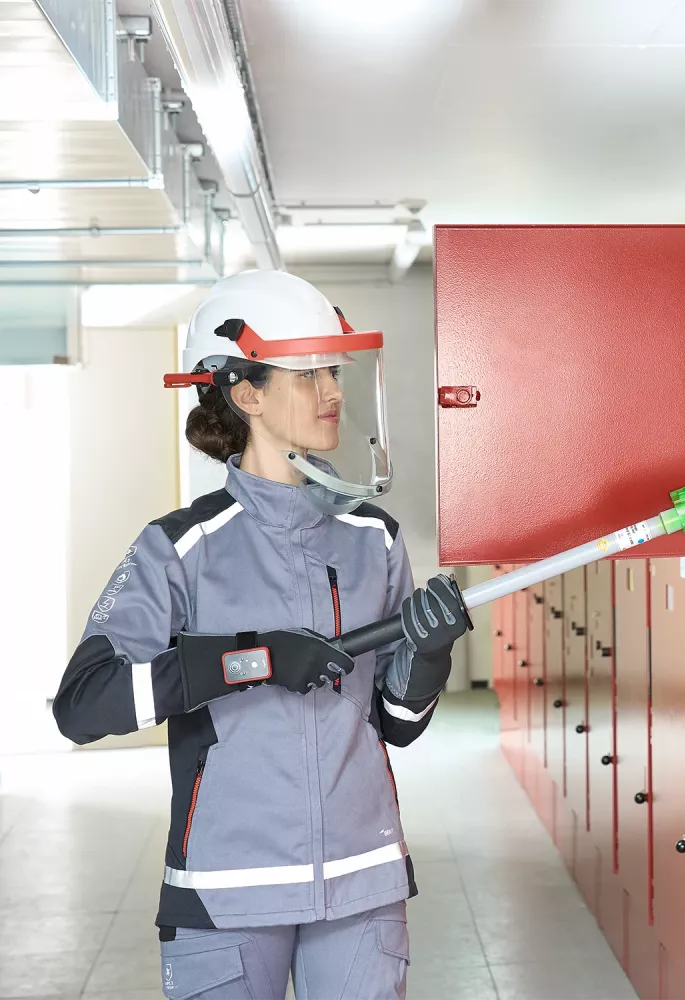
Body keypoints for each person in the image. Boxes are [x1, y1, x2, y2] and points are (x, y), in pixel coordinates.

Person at [53, 269, 469, 999]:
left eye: (334, 371)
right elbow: (83, 705)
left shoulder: (374, 539)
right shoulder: (179, 548)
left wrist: (429, 657)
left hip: (360, 889)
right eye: (309, 375)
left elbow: (398, 723)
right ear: (245, 393)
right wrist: (256, 658)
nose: (333, 392)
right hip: (225, 895)